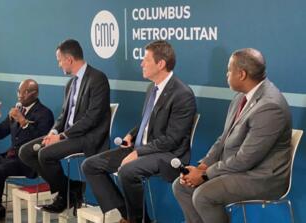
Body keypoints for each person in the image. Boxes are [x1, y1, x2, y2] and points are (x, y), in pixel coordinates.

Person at [82, 40, 196, 223]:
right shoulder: (152, 88)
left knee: (128, 171)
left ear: (161, 64)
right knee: (90, 165)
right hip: (144, 148)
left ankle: (136, 220)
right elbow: (149, 119)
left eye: (145, 60)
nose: (141, 64)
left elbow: (172, 139)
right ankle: (129, 215)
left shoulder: (182, 94)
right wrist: (132, 134)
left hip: (168, 155)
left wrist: (138, 152)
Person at [173, 48, 292, 223]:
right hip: (238, 170)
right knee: (181, 186)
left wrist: (205, 175)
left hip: (262, 177)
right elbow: (223, 140)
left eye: (229, 70)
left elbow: (246, 159)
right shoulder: (240, 98)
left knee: (204, 195)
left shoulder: (269, 106)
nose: (226, 74)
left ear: (241, 74)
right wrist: (202, 166)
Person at [19, 39, 111, 215]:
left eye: (60, 60)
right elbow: (63, 116)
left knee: (45, 154)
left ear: (69, 59)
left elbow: (91, 118)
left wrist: (61, 136)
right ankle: (70, 188)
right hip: (68, 135)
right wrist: (53, 131)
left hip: (87, 137)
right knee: (25, 151)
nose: (59, 64)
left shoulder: (97, 79)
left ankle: (64, 194)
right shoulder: (71, 83)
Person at [0, 79, 54, 223]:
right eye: (19, 91)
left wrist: (23, 122)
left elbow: (40, 141)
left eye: (25, 92)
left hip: (28, 161)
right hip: (10, 156)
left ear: (35, 94)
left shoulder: (45, 113)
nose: (20, 95)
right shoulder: (17, 109)